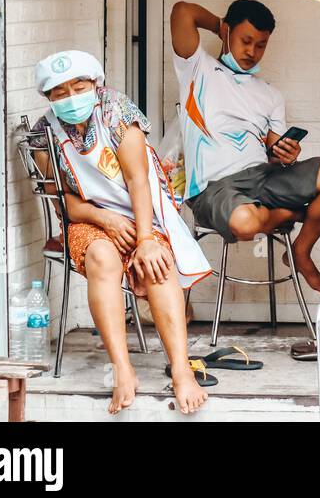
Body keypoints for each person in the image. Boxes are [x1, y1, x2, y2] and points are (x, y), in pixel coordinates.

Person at [33, 50, 211, 415]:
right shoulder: (44, 134)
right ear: (49, 98)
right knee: (101, 256)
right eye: (59, 92)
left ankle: (180, 368)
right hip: (87, 220)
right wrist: (104, 220)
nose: (70, 97)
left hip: (140, 211)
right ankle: (122, 369)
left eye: (78, 87)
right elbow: (63, 204)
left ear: (96, 85)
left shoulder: (117, 112)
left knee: (157, 263)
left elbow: (137, 180)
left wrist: (145, 239)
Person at [169, 0, 320, 295]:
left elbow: (272, 151)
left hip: (264, 177)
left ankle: (300, 251)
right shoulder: (197, 69)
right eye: (245, 40)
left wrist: (287, 155)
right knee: (244, 223)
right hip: (215, 187)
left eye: (261, 45)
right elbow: (182, 11)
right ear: (229, 32)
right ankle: (290, 213)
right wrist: (220, 26)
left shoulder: (270, 95)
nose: (252, 52)